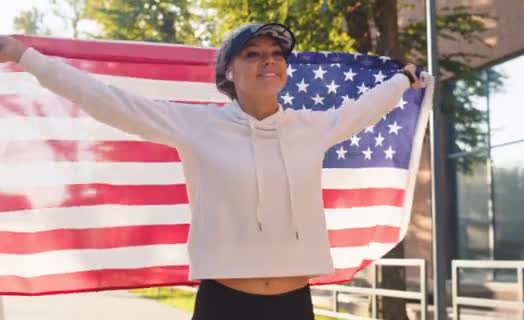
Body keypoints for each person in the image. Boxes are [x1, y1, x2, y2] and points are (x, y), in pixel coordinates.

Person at [0, 23, 426, 320]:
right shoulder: (196, 125)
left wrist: (405, 80)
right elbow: (105, 99)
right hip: (225, 305)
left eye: (277, 55)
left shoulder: (312, 127)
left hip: (294, 306)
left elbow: (367, 107)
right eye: (254, 54)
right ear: (229, 71)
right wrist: (23, 55)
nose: (269, 61)